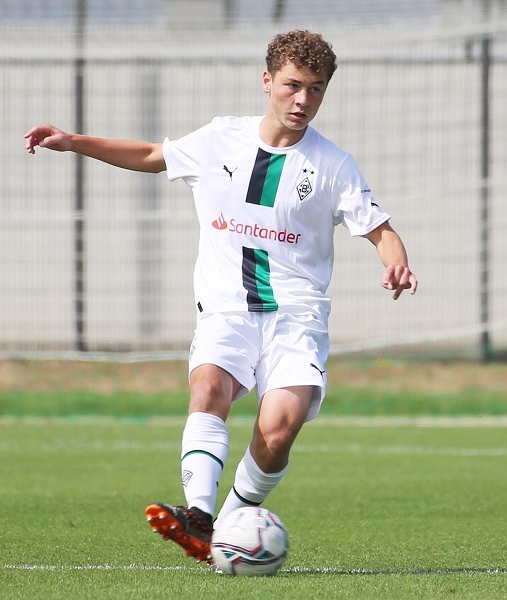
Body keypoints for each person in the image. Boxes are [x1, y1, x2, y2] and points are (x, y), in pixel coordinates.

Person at [24, 30, 418, 564]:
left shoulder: (333, 165)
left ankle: (230, 522)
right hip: (227, 307)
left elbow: (380, 228)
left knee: (279, 428)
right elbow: (149, 154)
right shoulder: (219, 140)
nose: (302, 101)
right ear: (267, 82)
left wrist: (395, 261)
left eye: (316, 90)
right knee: (209, 385)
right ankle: (200, 517)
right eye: (292, 86)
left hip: (295, 315)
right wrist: (73, 141)